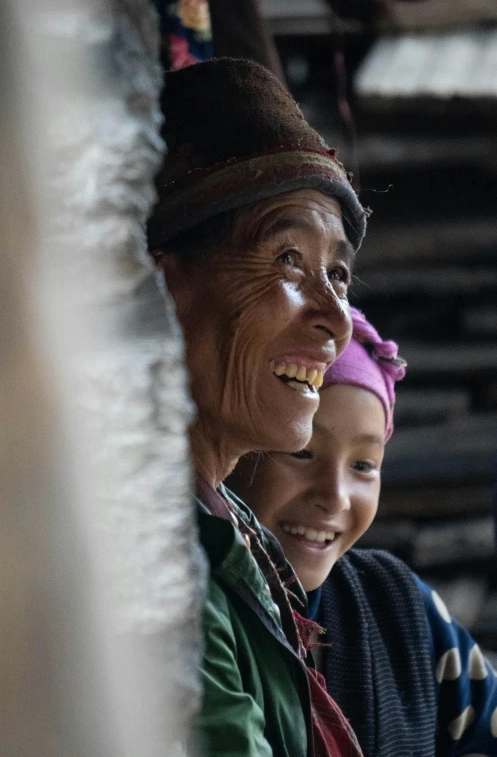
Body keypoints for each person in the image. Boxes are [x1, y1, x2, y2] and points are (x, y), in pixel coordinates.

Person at [148, 57, 368, 756]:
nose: (337, 320)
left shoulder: (227, 525)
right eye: (286, 261)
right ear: (159, 287)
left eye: (337, 274)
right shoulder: (151, 560)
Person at [229, 306, 497, 757]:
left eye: (363, 466)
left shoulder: (400, 610)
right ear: (235, 447)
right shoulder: (205, 618)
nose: (335, 497)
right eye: (302, 451)